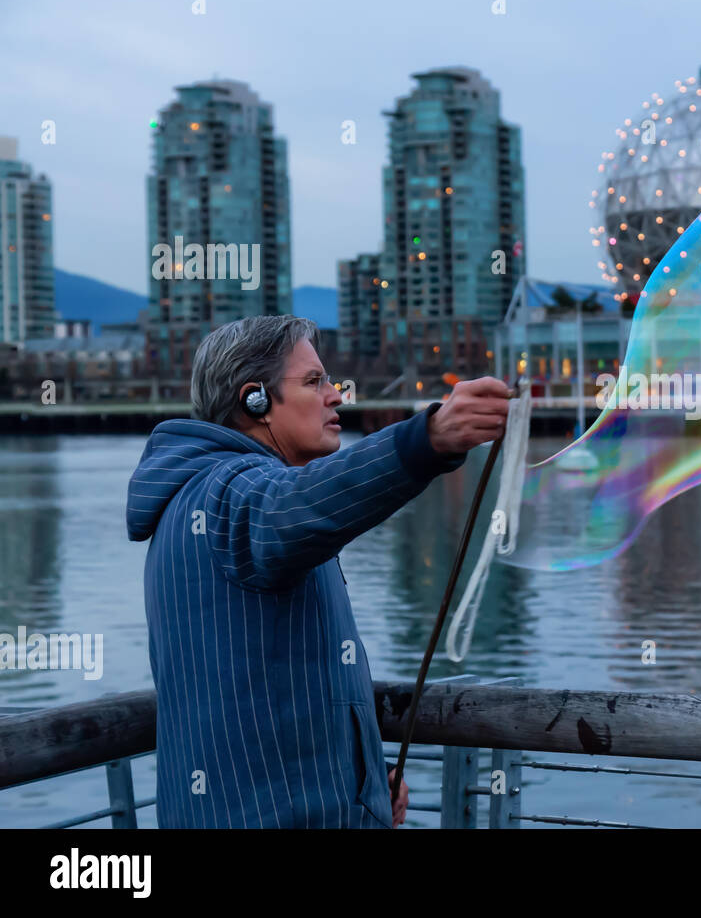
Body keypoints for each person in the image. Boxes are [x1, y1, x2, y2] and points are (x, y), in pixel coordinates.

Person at [125, 315, 509, 828]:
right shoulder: (228, 494)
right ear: (253, 399)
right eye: (313, 382)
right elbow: (298, 504)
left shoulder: (209, 493)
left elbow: (280, 694)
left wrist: (366, 782)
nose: (336, 396)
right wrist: (430, 437)